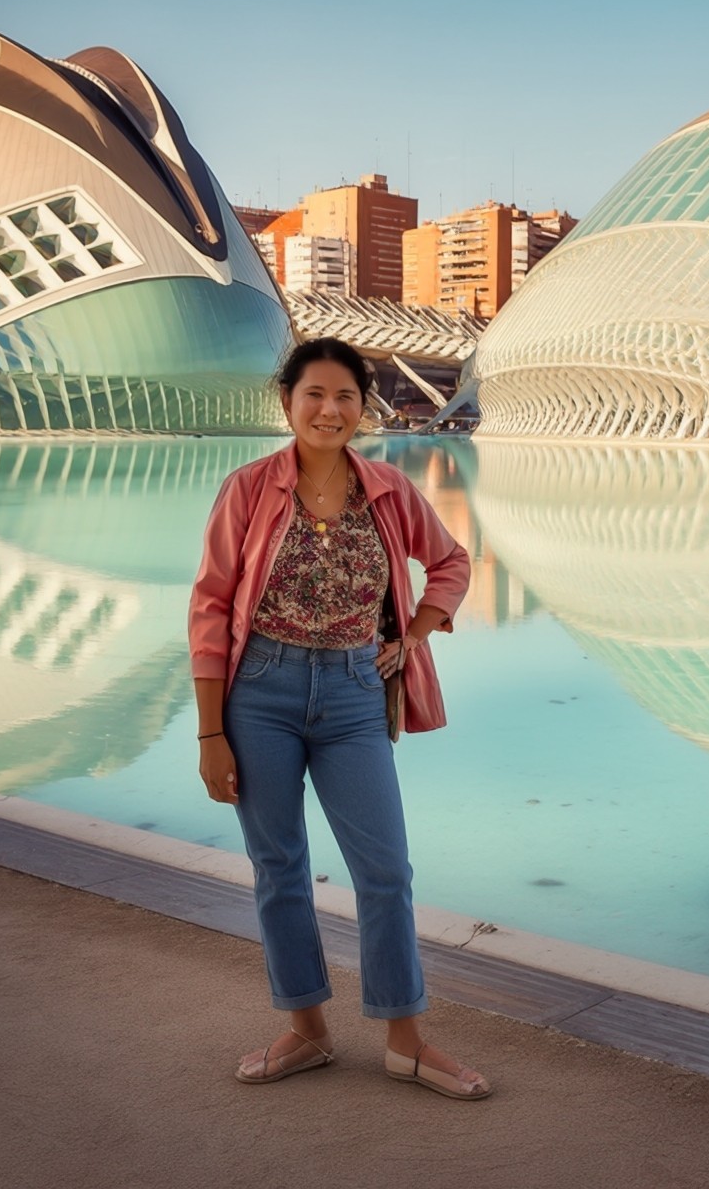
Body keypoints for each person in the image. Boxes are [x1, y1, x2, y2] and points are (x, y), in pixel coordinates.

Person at [188, 337, 490, 1100]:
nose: (330, 409)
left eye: (346, 397)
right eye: (314, 394)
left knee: (385, 871)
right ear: (287, 402)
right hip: (261, 691)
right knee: (279, 867)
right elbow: (211, 608)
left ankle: (406, 1040)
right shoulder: (249, 489)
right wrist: (210, 732)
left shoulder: (387, 488)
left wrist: (416, 631)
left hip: (357, 690)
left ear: (364, 407)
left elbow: (451, 561)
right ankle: (308, 1031)